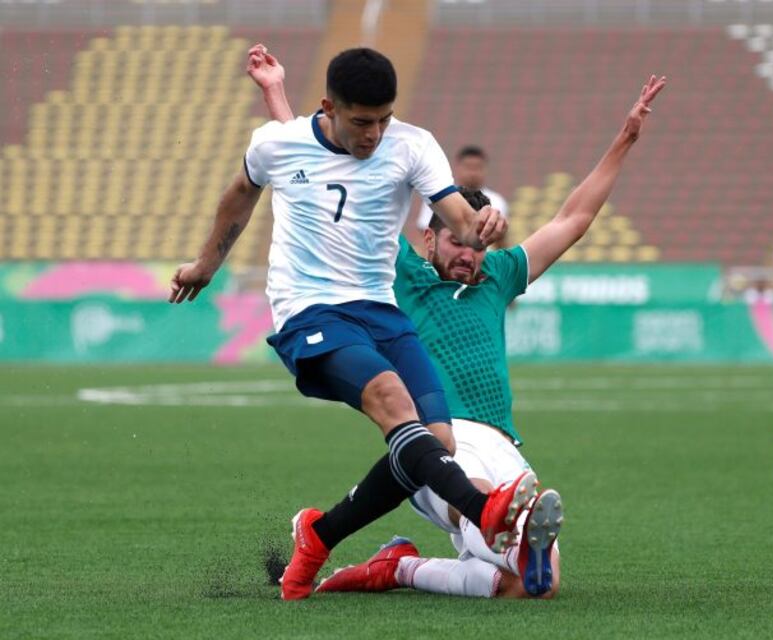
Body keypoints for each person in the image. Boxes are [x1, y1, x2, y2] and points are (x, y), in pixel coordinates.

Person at [248, 44, 667, 599]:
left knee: (532, 587)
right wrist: (276, 95)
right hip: (437, 442)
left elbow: (574, 217)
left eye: (472, 244)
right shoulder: (399, 277)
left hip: (502, 443)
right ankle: (495, 520)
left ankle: (401, 567)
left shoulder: (501, 276)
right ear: (430, 237)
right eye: (454, 240)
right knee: (489, 513)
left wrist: (626, 138)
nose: (468, 254)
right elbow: (316, 177)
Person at [171, 45, 535, 601]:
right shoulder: (278, 143)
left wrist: (481, 225)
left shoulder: (412, 145)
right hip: (309, 311)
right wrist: (205, 265)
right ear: (330, 108)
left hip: (378, 312)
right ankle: (482, 509)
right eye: (363, 122)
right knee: (392, 400)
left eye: (384, 119)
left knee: (435, 443)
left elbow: (456, 214)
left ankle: (319, 535)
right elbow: (240, 197)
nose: (374, 134)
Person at [416, 145, 509, 245]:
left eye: (478, 167)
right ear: (458, 168)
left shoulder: (497, 201)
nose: (473, 173)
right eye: (468, 167)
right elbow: (425, 234)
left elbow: (501, 240)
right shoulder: (439, 196)